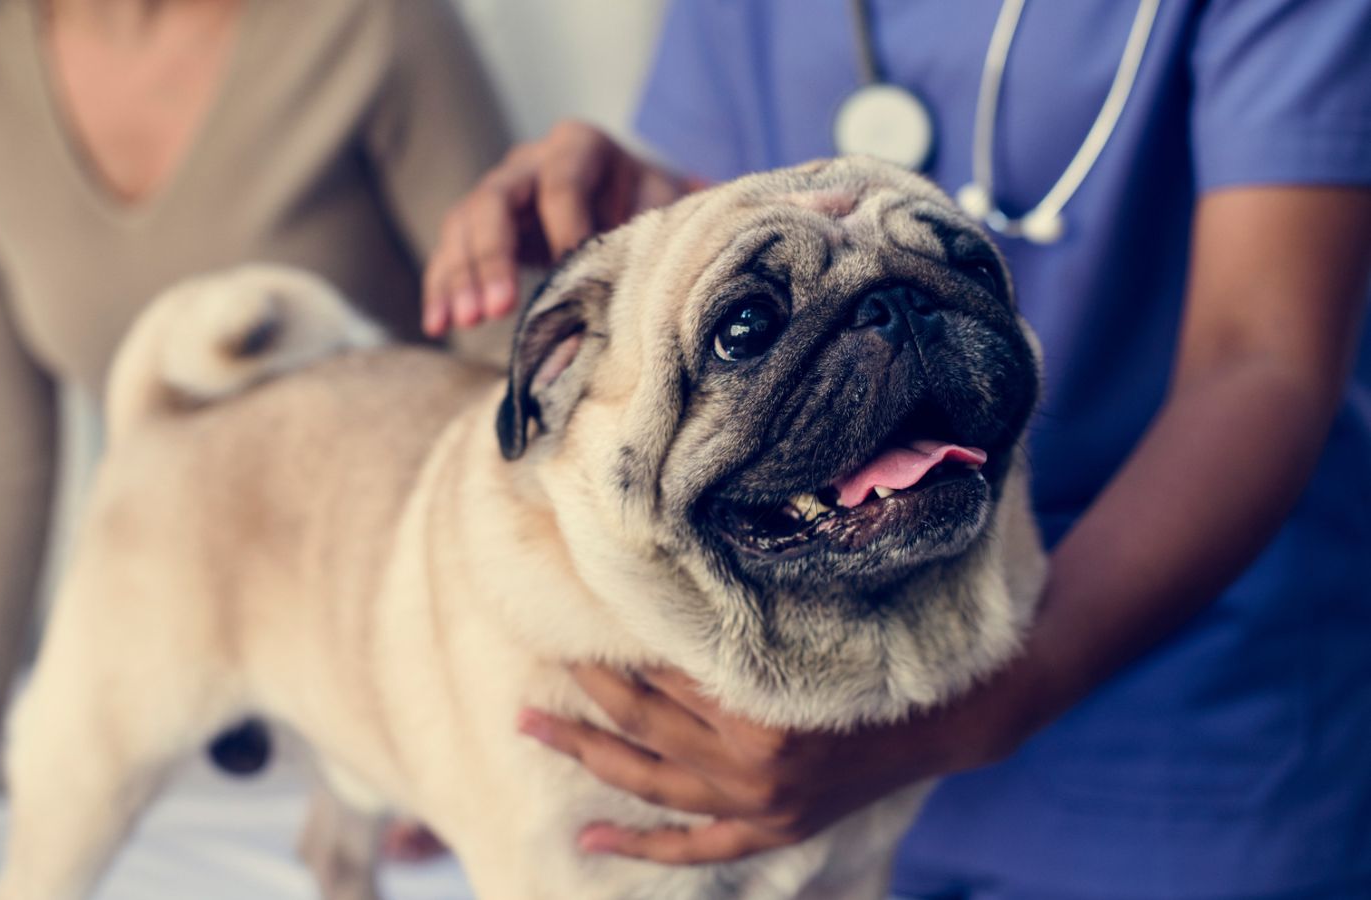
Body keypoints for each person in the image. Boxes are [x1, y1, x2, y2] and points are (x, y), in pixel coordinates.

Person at [424, 0, 1371, 896]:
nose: (889, 325)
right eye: (749, 327)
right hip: (779, 779)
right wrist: (647, 211)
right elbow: (736, 217)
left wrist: (995, 700)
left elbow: (1264, 356)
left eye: (951, 270)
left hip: (1188, 748)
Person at [0, 0, 507, 823]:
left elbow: (513, 364)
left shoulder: (376, 22)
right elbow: (0, 438)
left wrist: (486, 714)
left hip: (402, 641)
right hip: (170, 617)